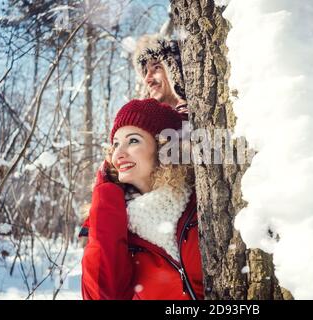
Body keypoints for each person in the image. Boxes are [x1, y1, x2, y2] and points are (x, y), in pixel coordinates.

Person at [79, 98, 204, 300]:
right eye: (116, 144)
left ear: (164, 148)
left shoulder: (202, 203)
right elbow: (104, 295)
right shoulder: (116, 222)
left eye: (133, 141)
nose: (118, 153)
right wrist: (104, 193)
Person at [133, 35, 188, 116]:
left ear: (175, 72)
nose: (147, 79)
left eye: (156, 67)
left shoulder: (200, 116)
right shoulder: (144, 121)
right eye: (145, 72)